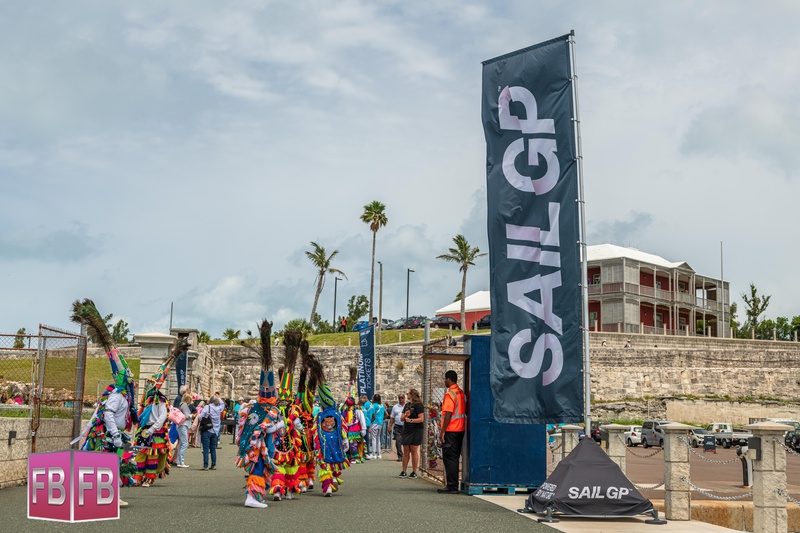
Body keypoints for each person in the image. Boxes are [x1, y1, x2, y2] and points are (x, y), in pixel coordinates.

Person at [437, 370, 466, 494]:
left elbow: (448, 413)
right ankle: (453, 484)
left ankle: (452, 485)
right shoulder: (460, 393)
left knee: (450, 458)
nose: (444, 381)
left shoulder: (450, 394)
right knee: (455, 457)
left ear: (449, 379)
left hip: (451, 430)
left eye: (445, 379)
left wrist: (443, 431)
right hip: (460, 429)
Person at [400, 388, 424, 479]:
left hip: (416, 429)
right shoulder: (407, 405)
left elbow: (421, 419)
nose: (407, 395)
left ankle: (414, 471)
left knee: (414, 450)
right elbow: (401, 418)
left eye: (408, 394)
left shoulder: (418, 405)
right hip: (407, 429)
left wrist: (411, 420)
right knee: (406, 450)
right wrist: (405, 416)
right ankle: (404, 471)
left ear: (412, 395)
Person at [198, 395, 225, 470]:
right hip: (215, 430)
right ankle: (213, 464)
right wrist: (218, 398)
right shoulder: (219, 408)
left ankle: (205, 465)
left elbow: (200, 417)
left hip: (207, 429)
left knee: (205, 448)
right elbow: (222, 404)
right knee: (213, 448)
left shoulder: (207, 407)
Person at [175, 392, 194, 468]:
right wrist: (192, 415)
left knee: (181, 443)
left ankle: (179, 461)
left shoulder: (181, 404)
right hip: (183, 425)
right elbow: (186, 416)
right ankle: (181, 462)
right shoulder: (185, 405)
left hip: (180, 425)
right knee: (184, 443)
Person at [389, 393, 406, 461]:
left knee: (406, 442)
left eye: (402, 398)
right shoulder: (395, 407)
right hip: (397, 426)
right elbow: (392, 417)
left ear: (404, 398)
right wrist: (390, 426)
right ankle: (400, 455)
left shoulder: (407, 406)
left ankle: (406, 455)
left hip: (406, 426)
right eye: (399, 398)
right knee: (398, 441)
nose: (401, 399)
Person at [368, 394, 384, 459]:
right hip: (380, 422)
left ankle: (373, 454)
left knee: (373, 438)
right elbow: (386, 414)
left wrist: (371, 421)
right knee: (378, 438)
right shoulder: (382, 405)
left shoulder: (374, 405)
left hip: (375, 422)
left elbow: (373, 415)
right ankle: (379, 454)